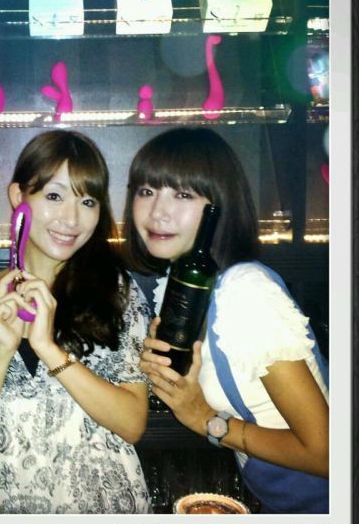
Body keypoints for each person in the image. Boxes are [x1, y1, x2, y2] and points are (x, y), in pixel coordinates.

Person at [0, 130, 151, 514]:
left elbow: (132, 423)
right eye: (54, 196)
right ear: (18, 196)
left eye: (87, 201)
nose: (71, 219)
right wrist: (3, 351)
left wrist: (48, 349)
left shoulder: (116, 292)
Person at [126, 127, 329, 514]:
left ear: (219, 205)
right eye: (146, 191)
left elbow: (328, 453)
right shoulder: (186, 284)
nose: (157, 212)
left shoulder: (245, 292)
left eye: (183, 194)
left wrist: (206, 420)